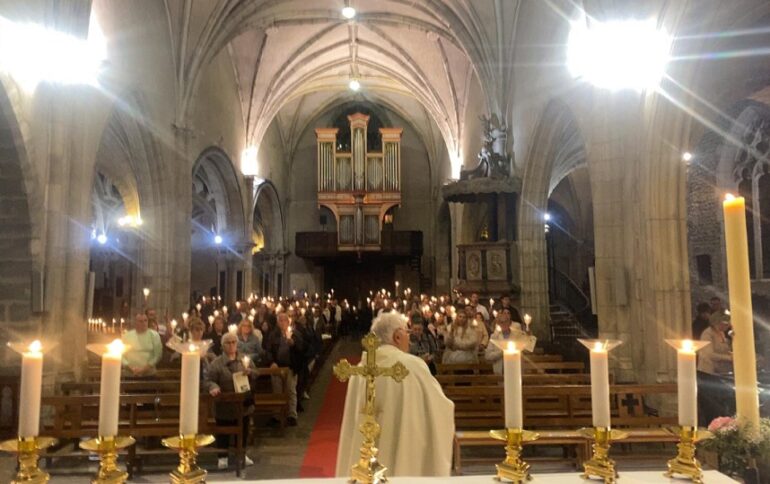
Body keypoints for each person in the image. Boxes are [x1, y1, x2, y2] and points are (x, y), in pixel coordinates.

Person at [335, 312, 455, 477]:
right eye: (407, 332)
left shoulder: (360, 369)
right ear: (397, 336)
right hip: (401, 449)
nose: (409, 338)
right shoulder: (412, 367)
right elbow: (440, 409)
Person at [203, 332, 256, 470]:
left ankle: (242, 454)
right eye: (228, 343)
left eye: (234, 342)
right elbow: (208, 380)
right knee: (223, 430)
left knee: (243, 429)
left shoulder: (244, 359)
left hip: (243, 403)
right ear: (222, 346)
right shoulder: (217, 363)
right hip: (224, 403)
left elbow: (256, 373)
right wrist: (213, 387)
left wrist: (250, 372)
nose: (232, 345)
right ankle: (222, 457)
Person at [263, 312, 304, 426]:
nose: (282, 322)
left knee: (291, 391)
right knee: (277, 392)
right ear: (277, 322)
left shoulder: (295, 334)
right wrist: (272, 362)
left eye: (284, 320)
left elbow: (301, 349)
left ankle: (292, 415)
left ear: (288, 321)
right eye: (280, 320)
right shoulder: (273, 335)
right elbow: (268, 350)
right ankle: (277, 415)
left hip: (290, 366)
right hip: (277, 367)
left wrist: (293, 344)